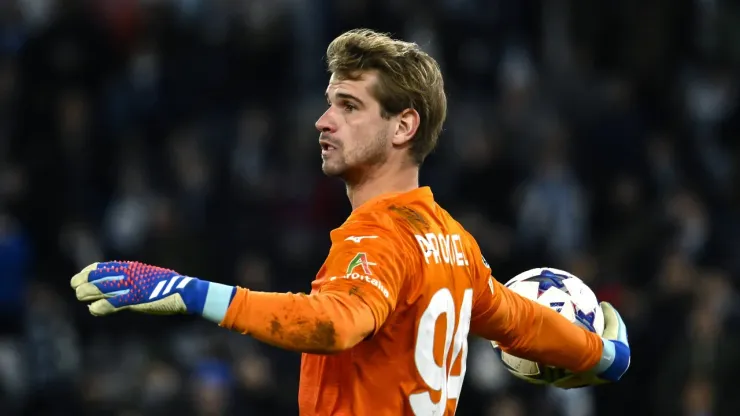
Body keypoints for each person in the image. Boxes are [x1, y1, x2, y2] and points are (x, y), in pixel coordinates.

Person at [70, 29, 630, 415]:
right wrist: (603, 356)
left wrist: (187, 291)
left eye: (349, 106)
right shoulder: (455, 243)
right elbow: (522, 321)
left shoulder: (379, 235)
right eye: (329, 102)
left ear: (403, 126)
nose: (323, 120)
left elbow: (336, 324)